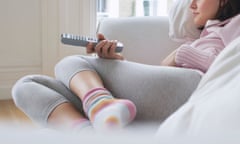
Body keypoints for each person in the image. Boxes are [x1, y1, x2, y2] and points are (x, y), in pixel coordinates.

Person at [12, 0, 240, 133]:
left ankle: (99, 103)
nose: (191, 5)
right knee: (27, 86)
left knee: (70, 63)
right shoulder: (205, 34)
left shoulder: (235, 23)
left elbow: (231, 66)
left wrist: (183, 53)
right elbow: (158, 76)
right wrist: (116, 64)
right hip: (167, 93)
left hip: (193, 90)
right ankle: (89, 132)